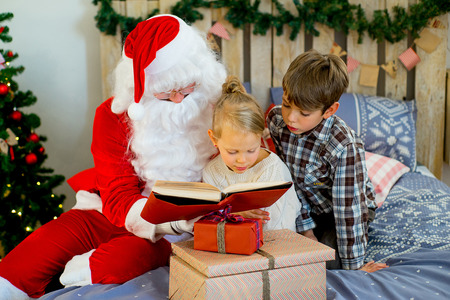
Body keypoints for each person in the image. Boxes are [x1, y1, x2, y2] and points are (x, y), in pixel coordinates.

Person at [0, 14, 227, 298]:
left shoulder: (222, 105)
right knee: (28, 258)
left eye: (187, 88)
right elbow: (119, 197)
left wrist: (184, 223)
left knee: (111, 263)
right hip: (115, 212)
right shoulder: (112, 116)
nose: (179, 100)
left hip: (189, 226)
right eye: (165, 94)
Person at [266, 49, 388, 272]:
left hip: (342, 210)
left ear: (329, 110)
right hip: (304, 204)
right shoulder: (276, 122)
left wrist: (355, 268)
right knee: (280, 250)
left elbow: (349, 209)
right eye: (286, 104)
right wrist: (305, 230)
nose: (290, 117)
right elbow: (287, 181)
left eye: (303, 113)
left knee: (326, 264)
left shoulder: (344, 146)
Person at [202, 75, 301, 231]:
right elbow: (208, 219)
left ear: (260, 137)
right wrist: (235, 214)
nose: (242, 160)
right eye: (232, 151)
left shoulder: (270, 169)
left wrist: (229, 215)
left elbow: (271, 224)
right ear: (214, 139)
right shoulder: (211, 172)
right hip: (232, 243)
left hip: (278, 241)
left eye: (251, 150)